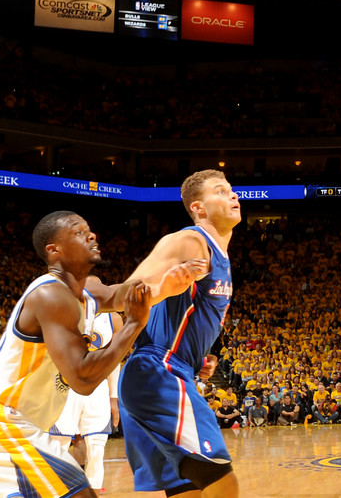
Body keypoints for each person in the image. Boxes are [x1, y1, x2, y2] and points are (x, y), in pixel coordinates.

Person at [0, 211, 166, 498]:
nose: (91, 235)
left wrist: (180, 274)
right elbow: (82, 378)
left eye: (90, 230)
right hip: (3, 421)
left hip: (20, 425)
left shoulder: (86, 293)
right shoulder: (50, 295)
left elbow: (124, 293)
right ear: (53, 250)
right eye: (78, 232)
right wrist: (133, 324)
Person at [112, 169, 243, 496]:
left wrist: (196, 357)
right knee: (223, 484)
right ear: (198, 207)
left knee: (187, 491)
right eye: (221, 191)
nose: (233, 195)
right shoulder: (191, 241)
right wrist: (163, 287)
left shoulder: (219, 255)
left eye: (232, 189)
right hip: (159, 371)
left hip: (168, 369)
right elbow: (126, 296)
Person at [46, 291, 124, 494]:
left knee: (97, 450)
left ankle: (94, 493)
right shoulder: (61, 310)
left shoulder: (113, 318)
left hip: (96, 389)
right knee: (58, 447)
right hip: (65, 385)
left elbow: (114, 361)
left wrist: (113, 397)